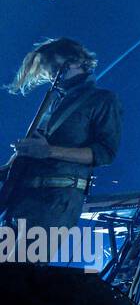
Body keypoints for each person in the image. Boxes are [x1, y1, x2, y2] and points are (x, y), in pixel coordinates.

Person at [2, 38, 122, 246]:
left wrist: (49, 152)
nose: (52, 75)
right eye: (50, 71)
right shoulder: (56, 101)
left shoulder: (103, 99)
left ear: (77, 61)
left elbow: (105, 152)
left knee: (20, 270)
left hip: (55, 202)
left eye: (56, 67)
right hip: (22, 197)